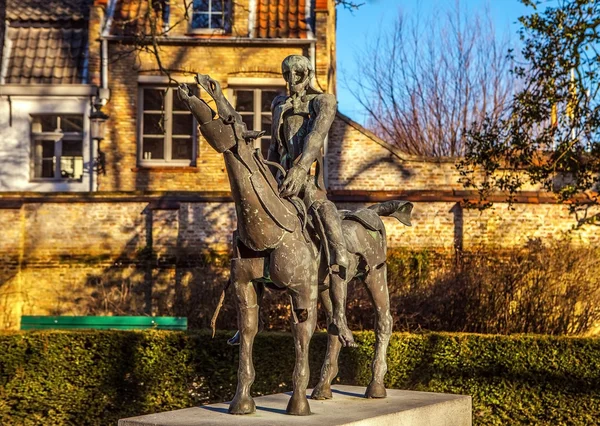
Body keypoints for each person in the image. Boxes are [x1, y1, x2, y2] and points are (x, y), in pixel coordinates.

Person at [268, 55, 354, 347]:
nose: (292, 80)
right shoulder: (278, 104)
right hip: (281, 183)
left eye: (298, 74)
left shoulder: (323, 101)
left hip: (308, 185)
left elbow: (315, 137)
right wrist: (266, 179)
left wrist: (300, 169)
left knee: (334, 235)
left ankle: (339, 316)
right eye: (286, 74)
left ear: (308, 74)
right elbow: (272, 146)